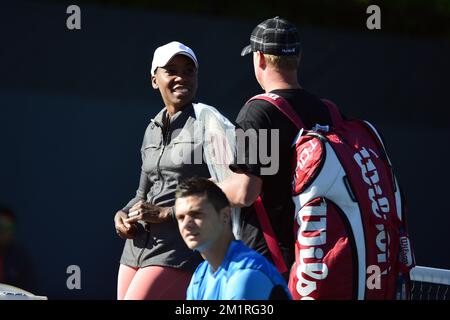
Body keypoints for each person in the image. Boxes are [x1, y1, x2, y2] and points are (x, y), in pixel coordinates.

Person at [114, 41, 235, 300]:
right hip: (135, 247)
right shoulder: (151, 128)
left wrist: (168, 213)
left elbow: (231, 186)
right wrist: (123, 214)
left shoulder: (209, 121)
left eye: (189, 71)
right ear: (154, 80)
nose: (181, 77)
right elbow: (142, 193)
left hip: (180, 250)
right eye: (171, 70)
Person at [218, 17, 336, 279]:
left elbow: (245, 191)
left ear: (259, 58)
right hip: (321, 258)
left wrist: (204, 190)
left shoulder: (259, 112)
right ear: (299, 57)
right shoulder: (327, 111)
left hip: (271, 264)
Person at [174, 177, 291, 300]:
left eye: (196, 214)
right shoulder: (200, 275)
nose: (186, 224)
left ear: (225, 215)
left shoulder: (246, 275)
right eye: (181, 217)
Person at [0, 206, 35, 292]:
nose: (4, 232)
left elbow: (29, 291)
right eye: (1, 227)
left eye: (9, 228)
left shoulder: (21, 258)